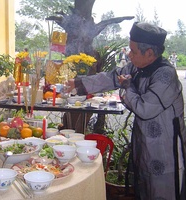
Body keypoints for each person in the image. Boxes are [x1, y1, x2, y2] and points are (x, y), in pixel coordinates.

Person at [67, 22, 186, 200]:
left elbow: (144, 109)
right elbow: (112, 77)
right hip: (145, 146)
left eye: (133, 51)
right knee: (145, 190)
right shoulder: (138, 67)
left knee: (165, 192)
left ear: (150, 53)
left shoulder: (165, 76)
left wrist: (126, 87)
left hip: (166, 151)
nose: (129, 55)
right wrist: (78, 83)